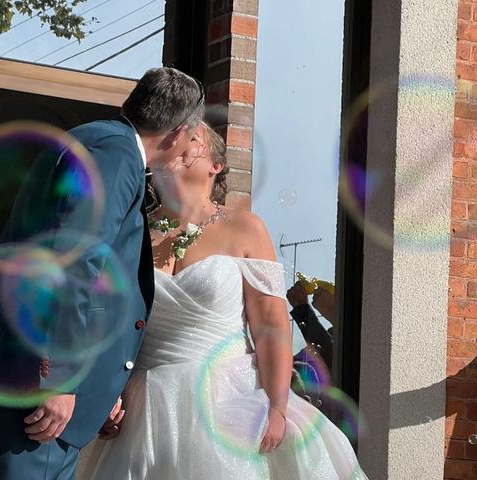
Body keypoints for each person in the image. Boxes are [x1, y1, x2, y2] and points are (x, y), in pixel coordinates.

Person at [0, 67, 206, 480]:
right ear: (177, 131)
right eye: (193, 135)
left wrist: (99, 387)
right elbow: (73, 264)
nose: (192, 147)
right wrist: (62, 379)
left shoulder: (101, 141)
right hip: (34, 392)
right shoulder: (116, 157)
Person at [77, 121, 368, 479]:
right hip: (142, 411)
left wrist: (276, 406)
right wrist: (104, 398)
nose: (180, 141)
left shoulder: (244, 228)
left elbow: (271, 325)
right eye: (173, 135)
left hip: (228, 400)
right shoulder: (132, 232)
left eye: (193, 137)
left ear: (216, 165)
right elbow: (110, 326)